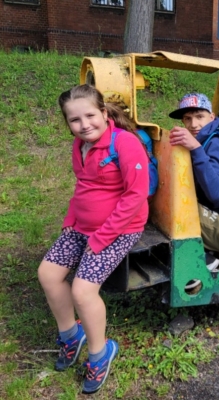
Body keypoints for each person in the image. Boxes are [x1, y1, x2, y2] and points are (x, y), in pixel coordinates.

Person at [37, 84, 149, 394]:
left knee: (83, 291)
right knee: (48, 274)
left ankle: (100, 353)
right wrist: (71, 222)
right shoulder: (79, 145)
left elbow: (136, 195)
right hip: (82, 225)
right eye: (75, 120)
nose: (84, 125)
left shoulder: (125, 143)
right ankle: (71, 335)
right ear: (68, 123)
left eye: (90, 115)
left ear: (103, 113)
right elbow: (83, 186)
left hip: (120, 228)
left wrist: (102, 237)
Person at [169, 92, 219, 274]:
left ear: (211, 117)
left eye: (199, 116)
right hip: (217, 217)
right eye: (187, 118)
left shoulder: (215, 143)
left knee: (174, 205)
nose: (193, 124)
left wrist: (196, 149)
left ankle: (202, 261)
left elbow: (216, 193)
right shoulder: (201, 141)